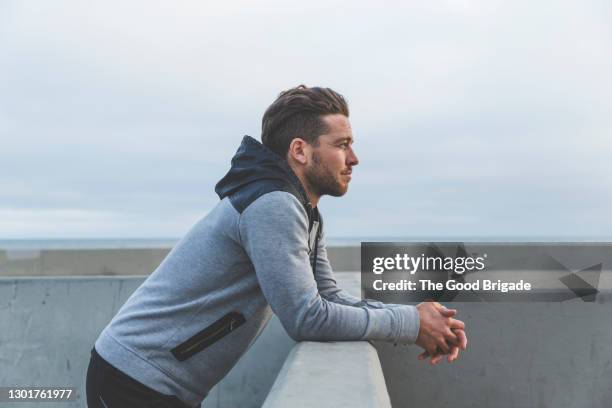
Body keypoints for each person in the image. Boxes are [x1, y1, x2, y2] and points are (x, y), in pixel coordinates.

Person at [86, 85, 468, 408]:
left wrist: (417, 317)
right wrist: (410, 324)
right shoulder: (274, 205)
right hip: (133, 380)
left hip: (159, 383)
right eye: (342, 145)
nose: (354, 158)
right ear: (300, 151)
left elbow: (328, 296)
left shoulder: (301, 209)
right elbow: (308, 318)